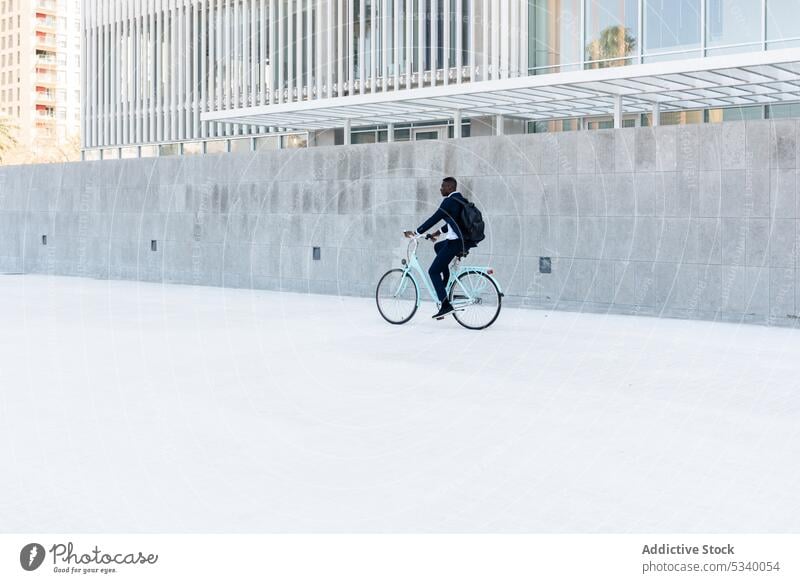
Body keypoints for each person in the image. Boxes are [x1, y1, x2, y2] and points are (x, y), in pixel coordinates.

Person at [404, 177, 477, 319]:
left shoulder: (449, 201)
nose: (441, 189)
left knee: (433, 271)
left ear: (450, 187)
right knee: (438, 246)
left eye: (443, 186)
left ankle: (445, 305)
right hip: (463, 241)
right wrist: (436, 233)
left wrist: (417, 232)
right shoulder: (460, 200)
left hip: (455, 243)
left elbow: (435, 217)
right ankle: (446, 279)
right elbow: (454, 222)